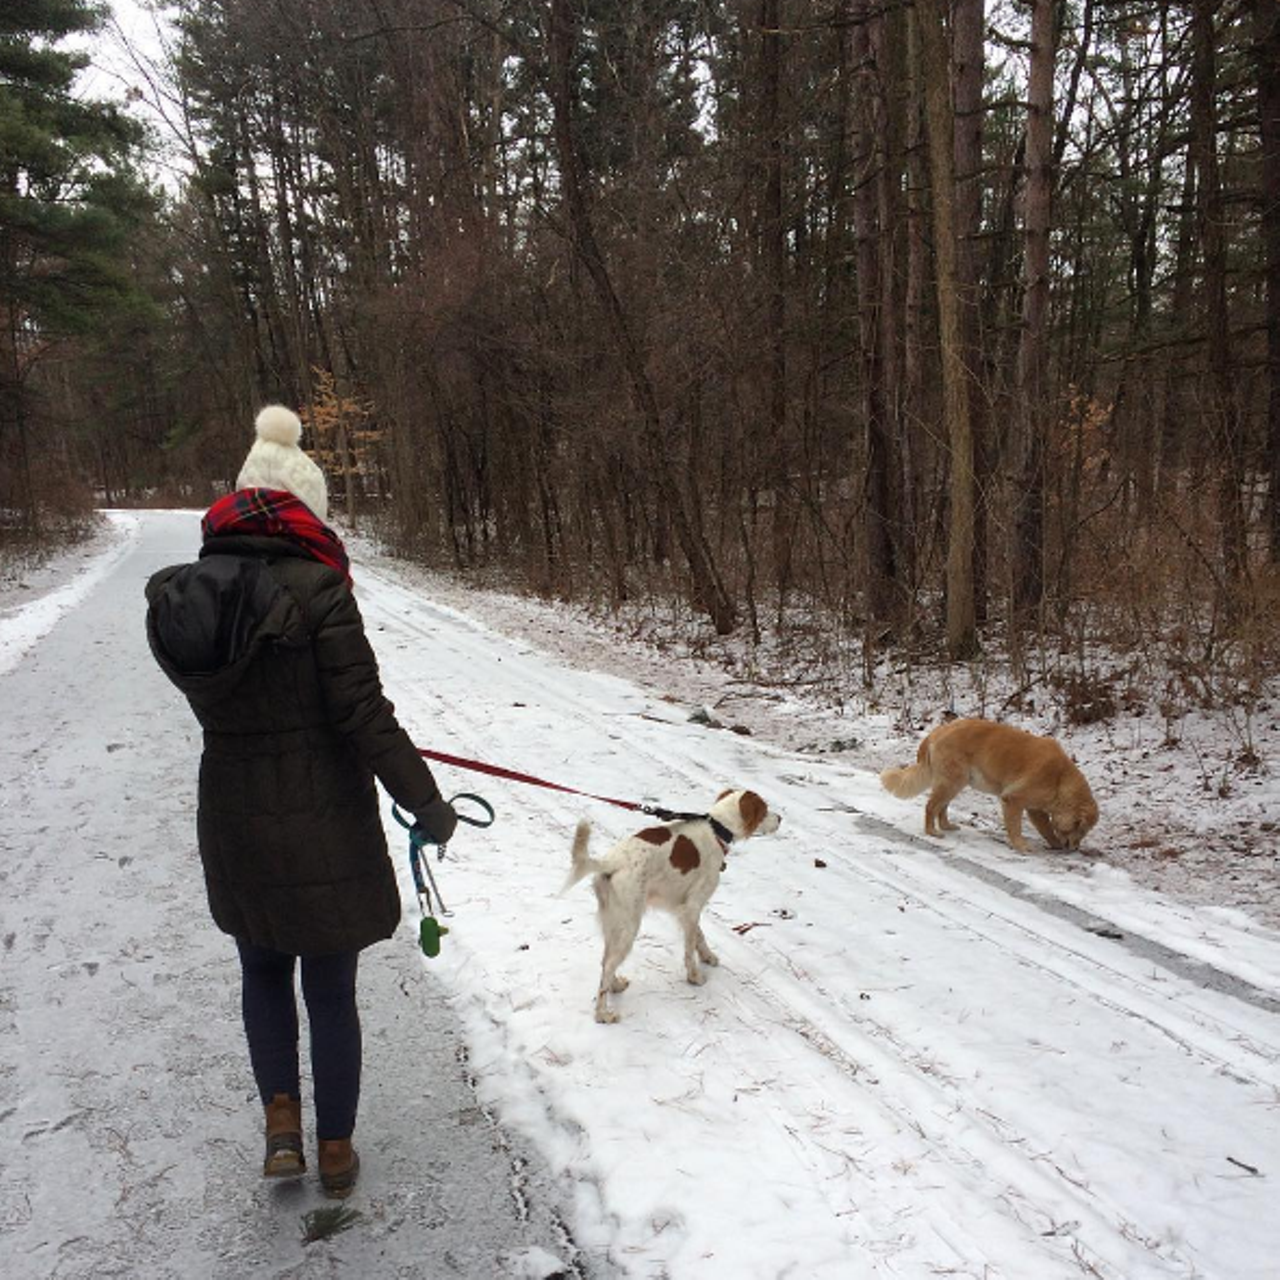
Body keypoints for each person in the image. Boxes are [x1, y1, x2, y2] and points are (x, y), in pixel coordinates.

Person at [145, 405, 457, 1198]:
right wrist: (428, 803)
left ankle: (281, 1127)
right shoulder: (321, 589)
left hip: (234, 817)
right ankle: (339, 1150)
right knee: (330, 988)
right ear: (305, 509)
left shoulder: (188, 599)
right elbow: (362, 715)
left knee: (260, 972)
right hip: (324, 818)